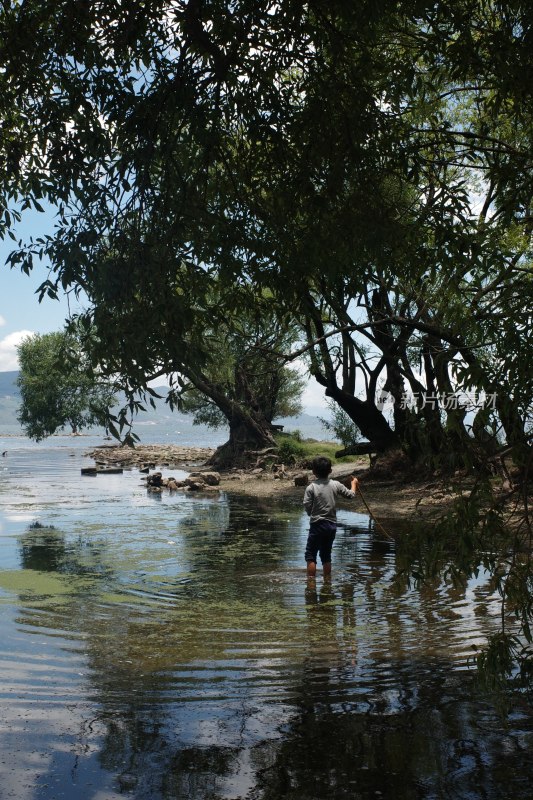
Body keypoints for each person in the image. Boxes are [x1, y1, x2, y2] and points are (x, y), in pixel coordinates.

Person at [303, 456, 359, 578]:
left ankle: (311, 584)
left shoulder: (311, 487)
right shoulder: (336, 484)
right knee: (326, 555)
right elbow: (350, 495)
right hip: (331, 526)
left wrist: (311, 514)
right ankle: (327, 583)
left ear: (313, 472)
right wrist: (354, 484)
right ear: (330, 471)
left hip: (317, 525)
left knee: (310, 555)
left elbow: (307, 505)